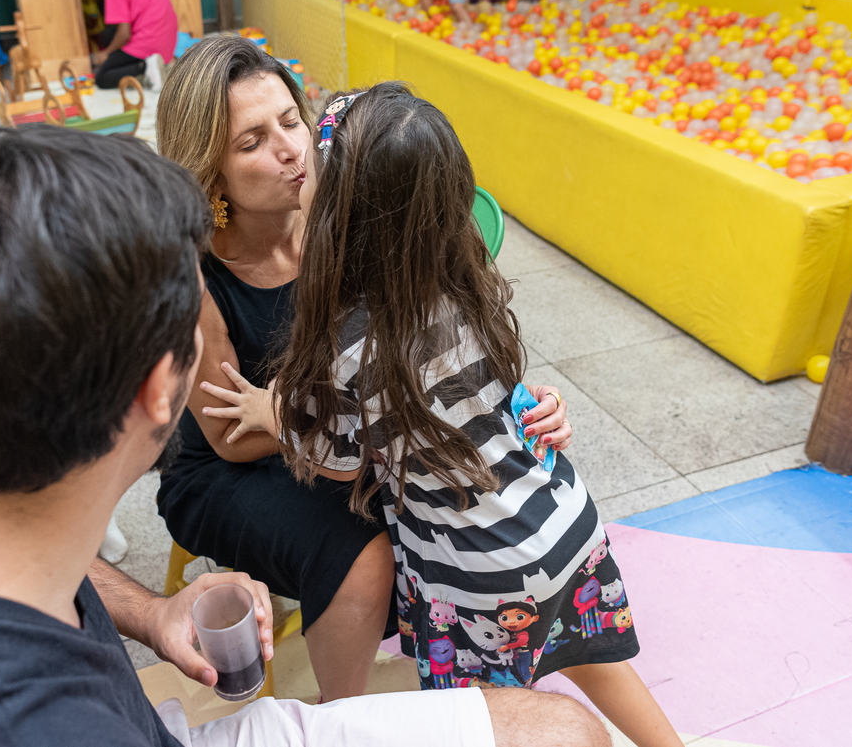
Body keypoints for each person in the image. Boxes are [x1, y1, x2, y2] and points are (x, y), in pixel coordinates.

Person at [0, 125, 611, 747]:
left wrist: (149, 610)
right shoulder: (37, 724)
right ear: (162, 386)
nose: (288, 153)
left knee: (565, 729)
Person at [201, 83, 684, 747]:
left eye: (310, 160)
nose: (295, 166)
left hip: (476, 576)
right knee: (599, 663)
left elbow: (338, 465)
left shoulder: (349, 345)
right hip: (565, 526)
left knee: (485, 724)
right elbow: (489, 398)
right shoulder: (467, 286)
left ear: (341, 212)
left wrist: (272, 407)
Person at [154, 35, 575, 703]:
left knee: (480, 491)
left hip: (338, 432)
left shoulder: (335, 214)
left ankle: (484, 662)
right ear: (210, 171)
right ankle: (341, 714)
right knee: (364, 548)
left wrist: (519, 400)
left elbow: (432, 335)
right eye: (252, 141)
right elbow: (233, 433)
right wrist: (385, 426)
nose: (290, 149)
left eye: (290, 121)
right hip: (234, 466)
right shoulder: (195, 274)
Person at [79, 0, 177, 89]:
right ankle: (155, 67)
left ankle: (145, 67)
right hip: (167, 44)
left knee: (102, 77)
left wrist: (106, 53)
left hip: (148, 44)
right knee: (116, 56)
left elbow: (124, 33)